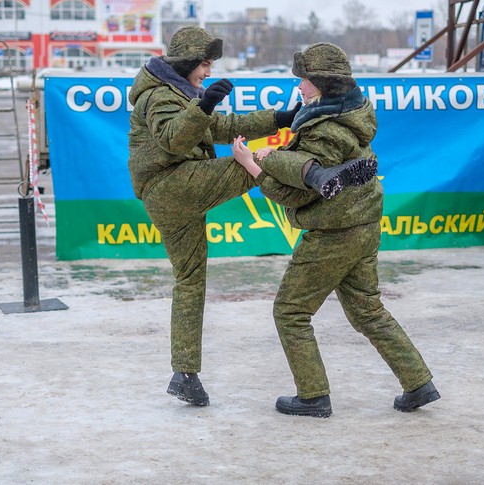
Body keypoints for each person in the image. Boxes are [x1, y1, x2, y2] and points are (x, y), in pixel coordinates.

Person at [127, 26, 377, 407]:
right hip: (172, 185)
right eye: (205, 65)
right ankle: (316, 173)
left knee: (190, 279)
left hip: (171, 198)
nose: (208, 72)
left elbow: (224, 128)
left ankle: (185, 373)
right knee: (253, 165)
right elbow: (174, 139)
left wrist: (281, 118)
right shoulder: (159, 96)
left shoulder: (180, 91)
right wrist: (205, 107)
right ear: (189, 62)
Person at [231, 42, 438, 418]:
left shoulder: (322, 132)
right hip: (364, 223)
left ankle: (313, 396)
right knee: (368, 311)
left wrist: (254, 165)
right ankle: (418, 382)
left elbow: (293, 196)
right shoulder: (352, 114)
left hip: (333, 231)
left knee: (290, 311)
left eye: (304, 82)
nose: (299, 88)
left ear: (322, 85)